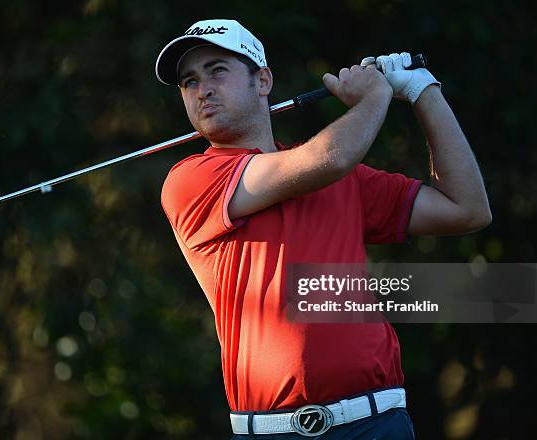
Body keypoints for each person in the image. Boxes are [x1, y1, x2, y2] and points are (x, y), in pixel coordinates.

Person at [155, 19, 491, 439]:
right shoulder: (191, 180)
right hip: (271, 430)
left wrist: (423, 92)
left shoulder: (343, 178)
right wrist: (374, 97)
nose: (201, 89)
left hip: (377, 422)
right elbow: (329, 158)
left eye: (217, 70)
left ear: (263, 81)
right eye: (189, 81)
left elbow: (467, 209)